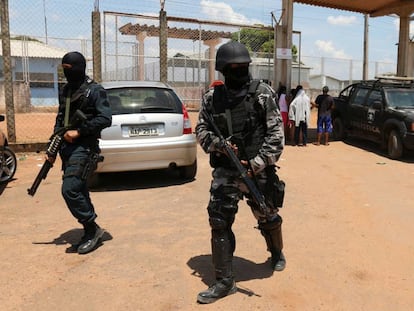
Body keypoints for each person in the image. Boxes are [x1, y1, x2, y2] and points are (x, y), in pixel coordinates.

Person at [195, 41, 286, 304]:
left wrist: (255, 163)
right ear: (223, 70)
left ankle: (276, 252)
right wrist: (219, 146)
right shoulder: (213, 98)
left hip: (258, 171)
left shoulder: (262, 94)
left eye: (243, 67)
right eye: (234, 68)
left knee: (268, 216)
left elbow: (276, 137)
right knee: (219, 221)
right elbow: (202, 130)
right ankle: (225, 281)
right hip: (226, 171)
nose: (239, 72)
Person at [48, 51, 112, 254]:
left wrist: (80, 131)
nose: (67, 73)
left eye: (69, 69)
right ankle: (89, 230)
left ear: (79, 68)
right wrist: (53, 146)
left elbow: (105, 118)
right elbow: (60, 119)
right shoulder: (66, 90)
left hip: (85, 148)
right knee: (80, 189)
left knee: (70, 189)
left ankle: (92, 228)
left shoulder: (94, 91)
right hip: (66, 149)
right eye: (64, 69)